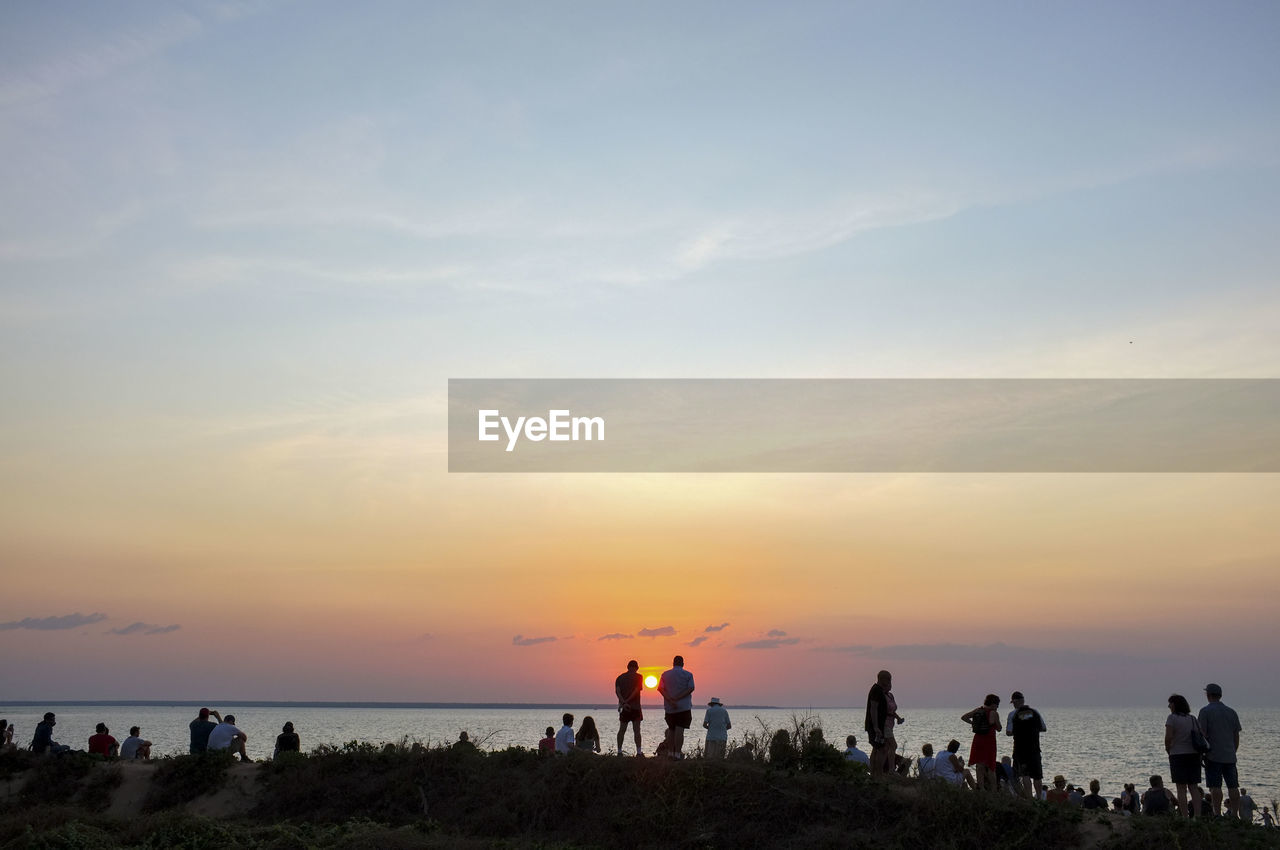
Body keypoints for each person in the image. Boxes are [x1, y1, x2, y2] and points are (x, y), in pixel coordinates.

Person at [1198, 682, 1242, 818]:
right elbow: (1236, 736)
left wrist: (1202, 754)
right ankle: (1235, 814)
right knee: (1233, 787)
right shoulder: (1231, 712)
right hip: (1229, 755)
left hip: (1213, 755)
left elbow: (1202, 735)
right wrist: (1233, 751)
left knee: (1215, 787)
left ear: (1208, 695)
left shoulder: (1205, 711)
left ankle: (1217, 813)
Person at [1164, 693, 1204, 817]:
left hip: (1178, 754)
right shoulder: (1192, 719)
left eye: (1170, 703)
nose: (1168, 705)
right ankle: (1197, 816)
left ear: (1175, 704)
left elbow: (1169, 736)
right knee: (1194, 787)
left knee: (1181, 788)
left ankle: (1185, 816)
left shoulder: (1172, 718)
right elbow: (1200, 735)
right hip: (1193, 755)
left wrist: (1167, 748)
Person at [1006, 691, 1046, 800]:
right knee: (1037, 776)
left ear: (1016, 701)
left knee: (1025, 775)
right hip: (1034, 748)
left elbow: (1008, 732)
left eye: (1013, 702)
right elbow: (1043, 728)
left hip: (1020, 750)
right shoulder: (1035, 712)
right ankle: (1039, 798)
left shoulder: (1013, 714)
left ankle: (1029, 798)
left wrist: (1019, 731)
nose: (1013, 704)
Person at [864, 670, 904, 778]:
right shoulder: (876, 690)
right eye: (889, 679)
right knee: (882, 749)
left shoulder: (882, 692)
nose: (890, 682)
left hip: (881, 725)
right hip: (877, 726)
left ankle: (874, 774)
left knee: (877, 748)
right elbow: (873, 709)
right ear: (882, 679)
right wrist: (876, 727)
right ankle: (879, 774)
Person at [657, 655, 695, 759]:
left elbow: (660, 688)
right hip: (684, 707)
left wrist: (670, 699)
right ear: (683, 663)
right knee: (680, 730)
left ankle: (670, 753)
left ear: (673, 663)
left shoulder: (665, 674)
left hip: (669, 708)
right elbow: (691, 688)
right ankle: (677, 754)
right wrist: (678, 698)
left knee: (671, 729)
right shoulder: (688, 674)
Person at [961, 694, 1001, 791]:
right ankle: (994, 790)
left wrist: (973, 723)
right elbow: (999, 728)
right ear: (993, 703)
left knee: (979, 765)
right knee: (991, 766)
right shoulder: (994, 713)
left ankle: (981, 789)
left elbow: (964, 717)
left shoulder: (978, 710)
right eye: (997, 704)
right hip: (989, 741)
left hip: (978, 740)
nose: (998, 706)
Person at [615, 660, 644, 756]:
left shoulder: (620, 678)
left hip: (624, 708)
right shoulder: (639, 677)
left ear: (627, 667)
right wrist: (627, 701)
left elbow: (618, 692)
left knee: (622, 730)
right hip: (635, 707)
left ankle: (619, 751)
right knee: (637, 731)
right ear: (637, 668)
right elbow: (636, 690)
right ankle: (639, 752)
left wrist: (623, 702)